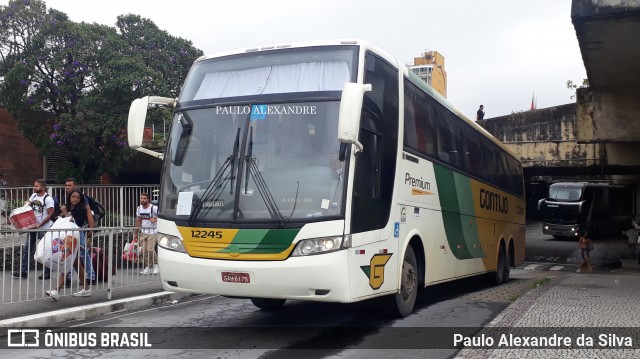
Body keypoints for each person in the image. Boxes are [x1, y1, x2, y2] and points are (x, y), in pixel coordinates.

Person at [45, 190, 94, 299]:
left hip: (74, 238)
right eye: (73, 197)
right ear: (69, 198)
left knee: (68, 261)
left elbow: (76, 224)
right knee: (75, 264)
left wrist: (66, 213)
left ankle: (56, 290)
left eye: (77, 197)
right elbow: (55, 216)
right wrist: (62, 214)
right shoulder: (67, 206)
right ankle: (86, 289)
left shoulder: (81, 209)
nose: (75, 199)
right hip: (67, 238)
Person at [13, 179, 55, 278]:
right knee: (27, 249)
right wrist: (27, 203)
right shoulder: (34, 195)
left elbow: (50, 214)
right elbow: (29, 202)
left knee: (45, 250)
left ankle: (47, 271)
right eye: (34, 186)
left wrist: (40, 224)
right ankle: (24, 271)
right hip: (33, 226)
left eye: (37, 186)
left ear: (43, 187)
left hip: (44, 228)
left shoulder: (48, 199)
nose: (34, 187)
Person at [135, 192, 158, 275]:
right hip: (143, 232)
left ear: (148, 200)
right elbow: (138, 220)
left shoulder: (154, 208)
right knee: (144, 251)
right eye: (141, 198)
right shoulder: (139, 208)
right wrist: (135, 232)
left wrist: (155, 219)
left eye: (144, 198)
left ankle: (156, 265)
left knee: (150, 250)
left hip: (152, 232)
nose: (143, 200)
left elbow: (162, 217)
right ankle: (148, 267)